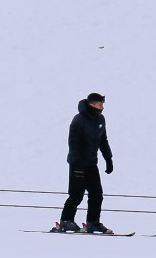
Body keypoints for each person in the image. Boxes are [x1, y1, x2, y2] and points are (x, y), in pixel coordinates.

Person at [54, 92, 115, 234]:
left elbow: (103, 141)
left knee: (97, 194)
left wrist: (108, 159)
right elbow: (73, 143)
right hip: (77, 163)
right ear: (92, 104)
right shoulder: (79, 120)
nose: (103, 107)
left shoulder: (100, 119)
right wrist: (78, 163)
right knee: (77, 194)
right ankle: (66, 221)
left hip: (91, 163)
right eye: (100, 104)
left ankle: (92, 222)